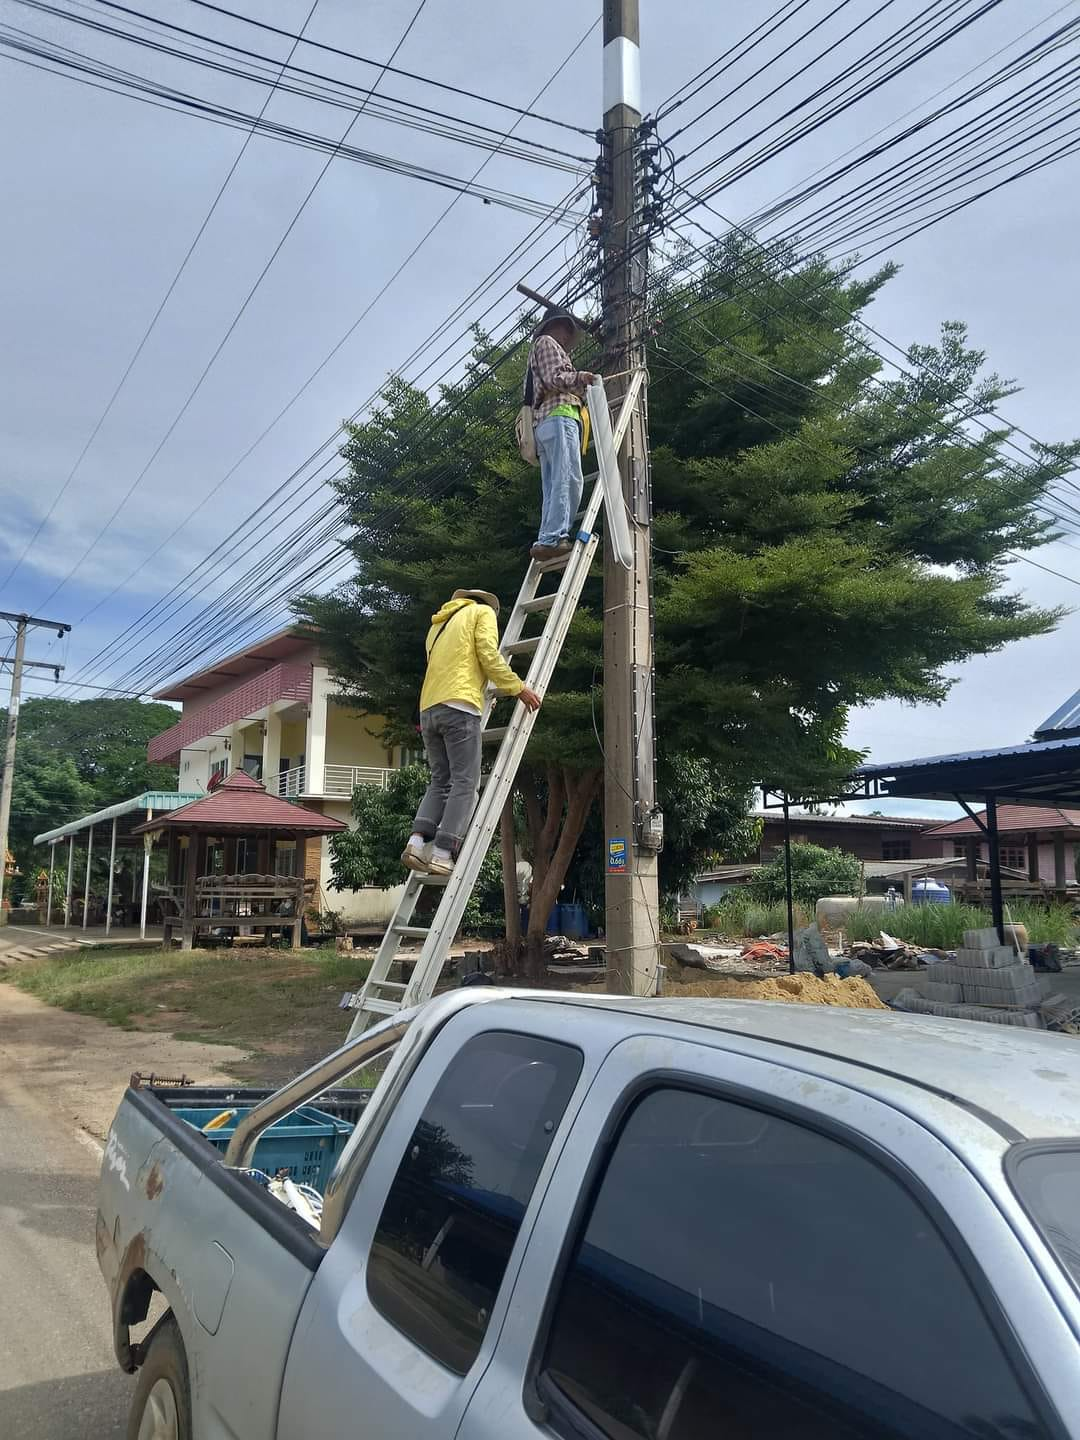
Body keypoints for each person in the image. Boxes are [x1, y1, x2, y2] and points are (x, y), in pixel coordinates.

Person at [403, 589, 541, 877]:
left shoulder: (438, 625)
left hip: (429, 709)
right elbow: (488, 654)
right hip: (459, 706)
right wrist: (518, 688)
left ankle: (416, 843)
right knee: (465, 782)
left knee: (440, 780)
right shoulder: (483, 613)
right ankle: (442, 853)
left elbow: (452, 665)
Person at [526, 310, 599, 562]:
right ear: (557, 326)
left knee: (555, 483)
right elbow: (555, 378)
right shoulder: (546, 343)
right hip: (559, 414)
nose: (569, 337)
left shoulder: (544, 346)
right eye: (567, 330)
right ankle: (553, 537)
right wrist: (582, 377)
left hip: (550, 420)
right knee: (568, 479)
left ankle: (547, 537)